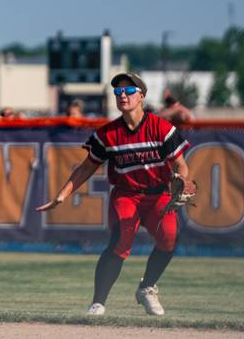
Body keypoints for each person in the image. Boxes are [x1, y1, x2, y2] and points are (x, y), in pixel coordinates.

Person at [36, 73, 190, 317]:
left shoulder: (161, 128)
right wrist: (63, 195)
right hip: (127, 194)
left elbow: (180, 164)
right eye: (118, 92)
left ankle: (147, 288)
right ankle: (98, 303)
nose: (122, 96)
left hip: (158, 193)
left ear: (142, 96)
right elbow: (87, 166)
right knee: (120, 241)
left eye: (129, 91)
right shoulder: (108, 133)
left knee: (170, 239)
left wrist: (181, 180)